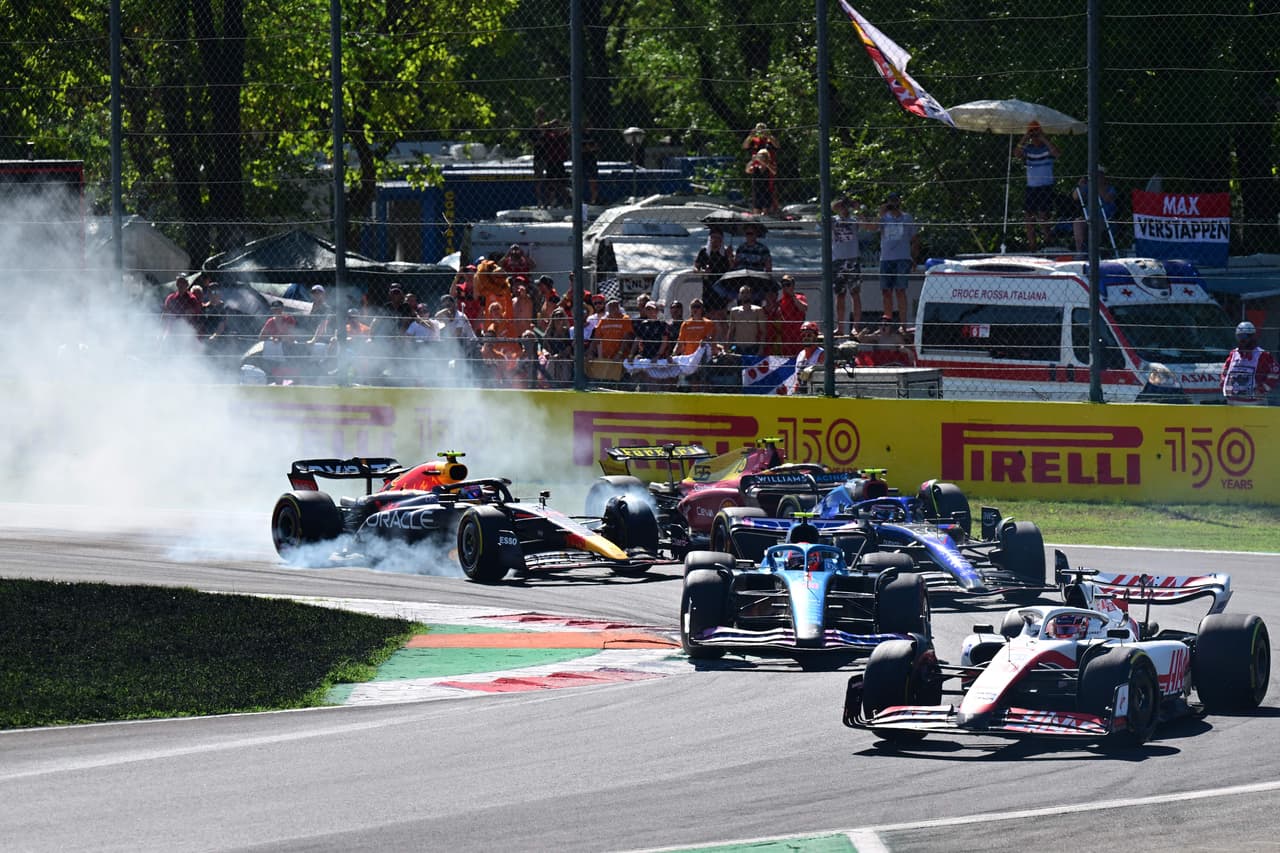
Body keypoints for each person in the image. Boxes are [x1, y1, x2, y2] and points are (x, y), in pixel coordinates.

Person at [872, 192, 919, 325]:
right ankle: (887, 321)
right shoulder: (884, 218)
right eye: (890, 201)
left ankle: (903, 324)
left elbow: (915, 239)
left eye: (895, 201)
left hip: (902, 258)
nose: (893, 204)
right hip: (886, 259)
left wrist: (914, 258)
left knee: (900, 290)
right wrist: (880, 214)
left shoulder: (907, 218)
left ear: (899, 202)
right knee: (886, 291)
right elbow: (872, 227)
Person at [1014, 121, 1061, 252]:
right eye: (1032, 134)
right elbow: (1016, 153)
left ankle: (1048, 241)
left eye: (1036, 133)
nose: (1035, 137)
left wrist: (1043, 138)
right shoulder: (1028, 149)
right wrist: (1025, 137)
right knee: (1028, 216)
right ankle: (1032, 246)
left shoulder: (1047, 148)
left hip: (1045, 186)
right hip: (1031, 187)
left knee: (1043, 214)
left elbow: (1057, 153)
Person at [831, 196, 874, 335]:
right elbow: (832, 207)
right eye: (842, 206)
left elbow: (868, 226)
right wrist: (841, 202)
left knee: (855, 293)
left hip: (853, 260)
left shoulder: (854, 220)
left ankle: (856, 326)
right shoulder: (833, 220)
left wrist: (856, 208)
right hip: (838, 260)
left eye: (846, 206)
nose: (844, 208)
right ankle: (841, 327)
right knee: (840, 295)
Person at [1222, 321, 1279, 406]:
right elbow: (1225, 372)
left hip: (1255, 402)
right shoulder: (1233, 354)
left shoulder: (1263, 355)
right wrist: (1225, 385)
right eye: (1239, 337)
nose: (1242, 340)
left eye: (1244, 337)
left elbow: (1275, 373)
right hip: (1233, 402)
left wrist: (1262, 389)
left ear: (1252, 337)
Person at [694, 226, 734, 324]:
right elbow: (695, 268)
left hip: (722, 290)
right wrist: (703, 272)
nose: (715, 240)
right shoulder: (704, 252)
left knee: (721, 318)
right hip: (708, 289)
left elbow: (733, 268)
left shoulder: (725, 253)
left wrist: (730, 257)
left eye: (718, 238)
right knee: (708, 317)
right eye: (713, 237)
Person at [1073, 166, 1118, 253]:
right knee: (1078, 222)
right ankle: (1080, 250)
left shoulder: (1110, 188)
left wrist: (1096, 185)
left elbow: (1107, 198)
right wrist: (1080, 185)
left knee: (1096, 223)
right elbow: (1075, 197)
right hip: (1088, 217)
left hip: (1105, 219)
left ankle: (1095, 252)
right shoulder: (1088, 187)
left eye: (1098, 175)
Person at [725, 284, 764, 356]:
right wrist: (727, 347)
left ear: (751, 295)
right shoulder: (734, 311)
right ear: (739, 295)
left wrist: (761, 349)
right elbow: (731, 331)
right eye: (742, 292)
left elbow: (763, 331)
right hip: (738, 347)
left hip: (752, 347)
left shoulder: (758, 310)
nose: (745, 295)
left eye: (747, 292)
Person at [775, 275, 809, 357]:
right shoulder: (781, 301)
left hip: (798, 335)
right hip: (786, 336)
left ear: (793, 286)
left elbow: (804, 308)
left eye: (788, 284)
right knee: (786, 358)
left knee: (800, 356)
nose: (785, 287)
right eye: (783, 285)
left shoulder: (800, 297)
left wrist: (793, 296)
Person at [745, 148, 778, 215]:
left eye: (762, 156)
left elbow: (774, 172)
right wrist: (752, 161)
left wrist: (765, 163)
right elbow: (747, 170)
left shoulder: (769, 165)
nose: (760, 158)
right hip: (757, 192)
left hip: (767, 192)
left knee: (766, 212)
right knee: (756, 212)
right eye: (759, 156)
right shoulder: (756, 167)